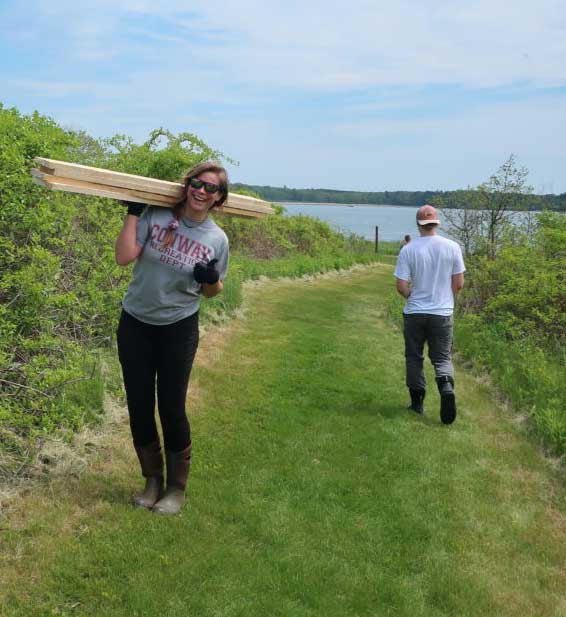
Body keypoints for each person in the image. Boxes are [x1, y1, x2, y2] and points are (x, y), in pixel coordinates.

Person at [115, 161, 230, 514]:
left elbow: (212, 291)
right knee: (138, 404)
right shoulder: (157, 215)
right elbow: (123, 257)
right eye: (198, 183)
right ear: (188, 185)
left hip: (178, 328)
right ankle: (152, 481)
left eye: (211, 188)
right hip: (135, 322)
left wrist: (210, 277)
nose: (202, 191)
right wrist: (134, 213)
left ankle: (176, 489)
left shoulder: (216, 239)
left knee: (171, 406)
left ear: (219, 198)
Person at [394, 204, 465, 424]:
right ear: (437, 223)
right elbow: (459, 284)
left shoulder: (409, 249)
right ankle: (445, 387)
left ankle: (417, 404)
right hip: (442, 313)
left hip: (415, 312)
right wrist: (444, 297)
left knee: (414, 357)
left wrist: (412, 297)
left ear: (418, 224)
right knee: (442, 357)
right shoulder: (452, 247)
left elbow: (401, 285)